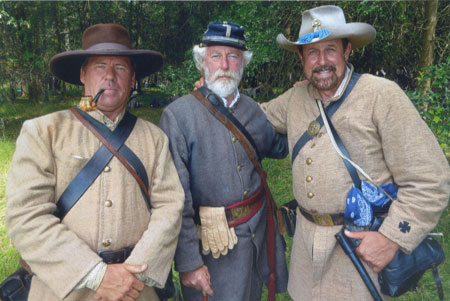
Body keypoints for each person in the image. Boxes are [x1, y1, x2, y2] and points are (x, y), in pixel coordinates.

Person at [261, 5, 450, 300]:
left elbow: (431, 180)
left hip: (359, 253)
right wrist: (213, 96)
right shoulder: (295, 98)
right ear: (301, 58)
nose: (322, 61)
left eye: (331, 50)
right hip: (306, 253)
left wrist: (391, 239)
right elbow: (252, 116)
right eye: (312, 52)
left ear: (347, 50)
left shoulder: (382, 95)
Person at [5, 24, 184, 301]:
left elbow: (170, 207)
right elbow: (26, 217)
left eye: (121, 68)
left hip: (136, 289)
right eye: (100, 66)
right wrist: (96, 275)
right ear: (82, 74)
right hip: (64, 289)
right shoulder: (43, 132)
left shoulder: (155, 138)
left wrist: (131, 277)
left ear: (133, 77)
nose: (110, 77)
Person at [159, 22, 289, 300]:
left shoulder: (253, 110)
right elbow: (174, 200)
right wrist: (189, 263)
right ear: (202, 62)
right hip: (213, 248)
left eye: (233, 56)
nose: (225, 64)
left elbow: (278, 147)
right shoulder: (178, 116)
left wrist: (304, 101)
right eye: (216, 56)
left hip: (257, 235)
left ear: (243, 63)